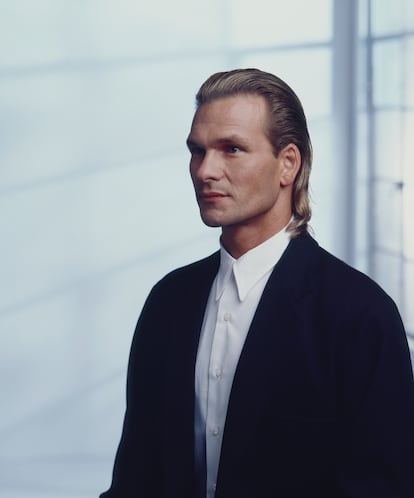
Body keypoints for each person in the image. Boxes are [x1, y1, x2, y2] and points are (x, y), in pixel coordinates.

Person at [100, 69, 414, 498]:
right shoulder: (168, 301)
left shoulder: (359, 314)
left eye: (231, 149)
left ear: (288, 163)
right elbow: (135, 478)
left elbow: (383, 486)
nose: (205, 170)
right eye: (197, 151)